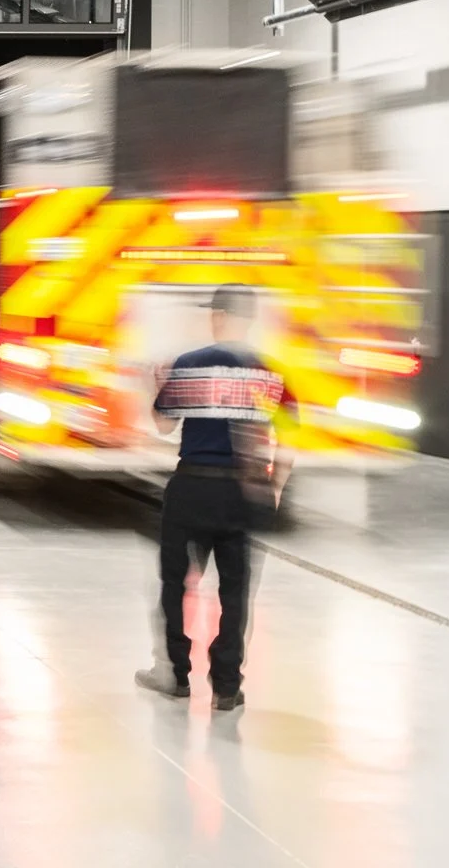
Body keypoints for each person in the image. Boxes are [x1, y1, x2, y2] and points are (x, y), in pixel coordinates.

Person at [134, 285, 294, 712]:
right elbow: (289, 439)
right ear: (251, 319)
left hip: (191, 488)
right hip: (241, 490)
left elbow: (164, 426)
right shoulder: (270, 371)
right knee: (236, 591)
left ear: (219, 316)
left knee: (176, 583)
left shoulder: (189, 365)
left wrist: (158, 384)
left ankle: (174, 674)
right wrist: (274, 485)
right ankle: (226, 685)